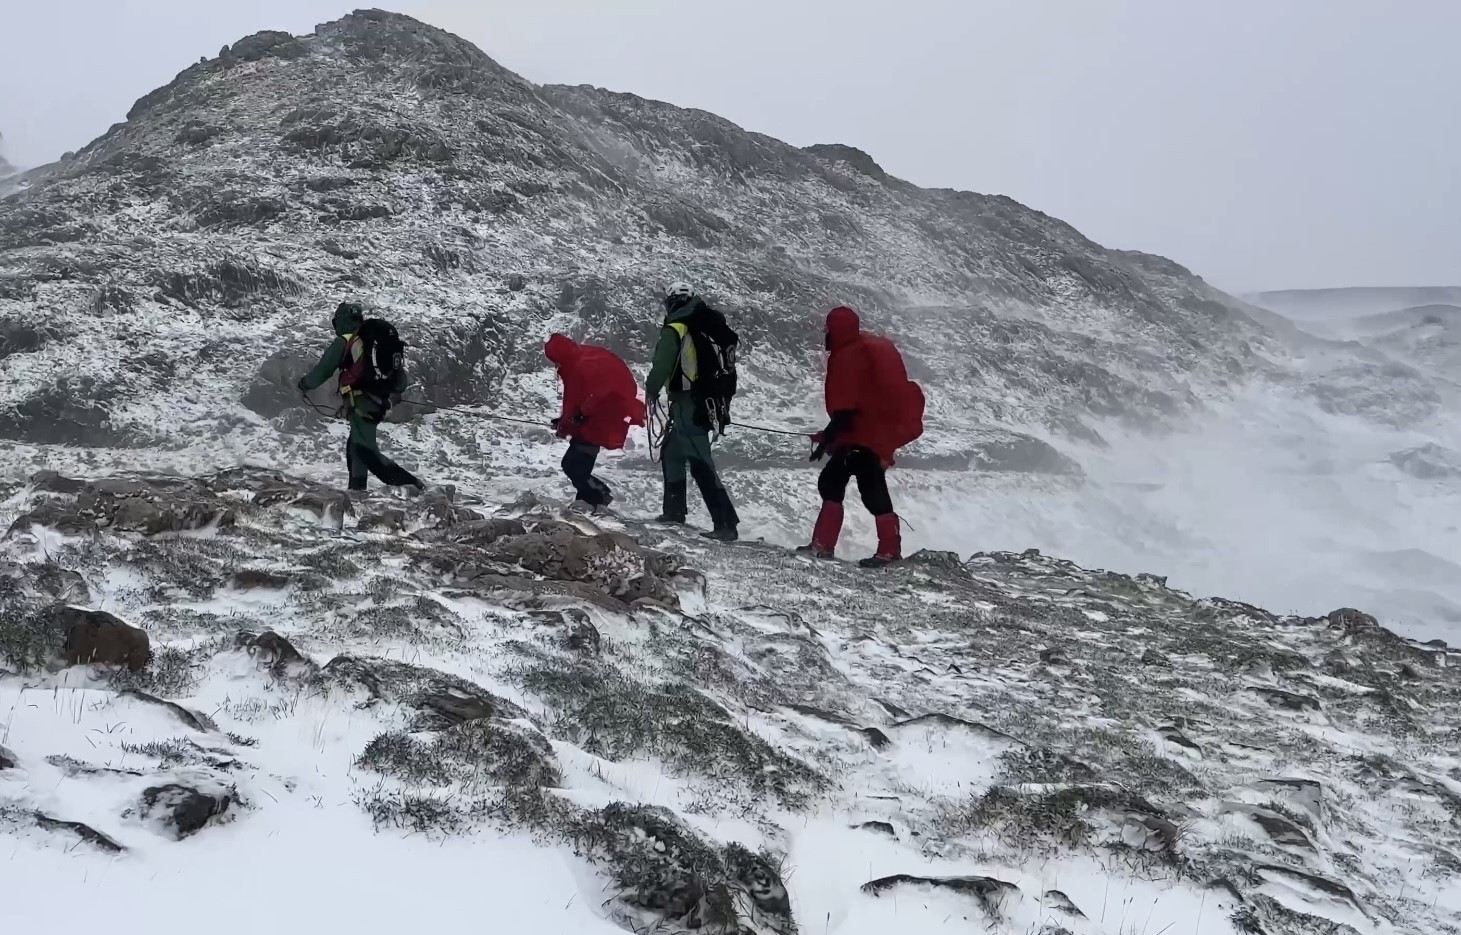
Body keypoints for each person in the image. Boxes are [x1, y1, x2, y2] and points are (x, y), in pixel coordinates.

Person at [800, 305, 923, 567]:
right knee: (854, 485)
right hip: (871, 435)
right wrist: (831, 436)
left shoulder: (848, 355)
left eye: (828, 329)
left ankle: (839, 547)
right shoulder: (865, 347)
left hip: (863, 437)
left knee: (860, 488)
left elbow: (846, 407)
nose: (826, 334)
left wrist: (829, 437)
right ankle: (882, 548)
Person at [296, 301, 424, 496]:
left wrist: (304, 384)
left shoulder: (346, 341)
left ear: (341, 321)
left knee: (366, 450)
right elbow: (400, 382)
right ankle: (357, 492)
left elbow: (323, 370)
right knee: (355, 446)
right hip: (378, 401)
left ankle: (414, 487)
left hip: (361, 402)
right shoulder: (370, 339)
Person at [644, 282, 740, 540]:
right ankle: (674, 511)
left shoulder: (676, 328)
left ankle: (725, 523)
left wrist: (651, 388)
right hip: (704, 403)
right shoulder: (705, 326)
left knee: (700, 463)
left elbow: (662, 364)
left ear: (672, 302)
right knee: (672, 453)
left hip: (688, 404)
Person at [544, 333, 645, 513]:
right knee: (575, 465)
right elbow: (584, 397)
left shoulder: (575, 367)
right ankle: (589, 501)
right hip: (602, 417)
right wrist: (567, 421)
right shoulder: (583, 356)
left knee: (573, 465)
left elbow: (580, 399)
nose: (556, 365)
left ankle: (597, 497)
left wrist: (574, 419)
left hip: (597, 423)